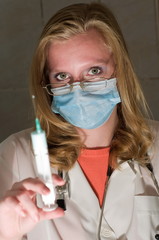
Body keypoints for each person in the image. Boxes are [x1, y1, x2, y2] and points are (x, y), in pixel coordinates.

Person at [0, 2, 159, 240]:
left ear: (120, 69)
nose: (78, 89)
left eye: (94, 71)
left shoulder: (155, 147)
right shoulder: (15, 156)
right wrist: (5, 233)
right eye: (62, 76)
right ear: (48, 84)